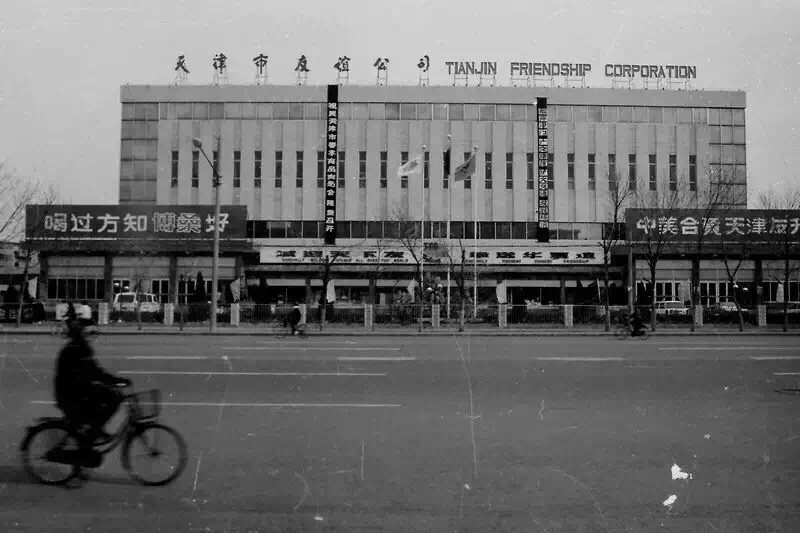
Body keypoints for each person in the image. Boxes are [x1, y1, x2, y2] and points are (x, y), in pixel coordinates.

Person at [54, 304, 131, 442]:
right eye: (86, 329)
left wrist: (111, 381)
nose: (88, 333)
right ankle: (95, 430)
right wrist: (115, 381)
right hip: (72, 395)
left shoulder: (77, 346)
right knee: (113, 397)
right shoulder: (78, 347)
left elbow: (93, 372)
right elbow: (95, 373)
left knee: (106, 395)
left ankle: (94, 430)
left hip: (72, 391)